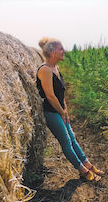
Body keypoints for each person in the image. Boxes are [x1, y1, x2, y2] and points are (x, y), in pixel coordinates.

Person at [36, 37, 104, 182]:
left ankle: (88, 164)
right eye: (61, 49)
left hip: (60, 110)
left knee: (73, 139)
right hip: (51, 112)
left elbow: (61, 94)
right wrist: (61, 112)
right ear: (53, 52)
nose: (64, 51)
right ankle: (83, 171)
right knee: (66, 141)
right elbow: (50, 96)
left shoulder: (56, 68)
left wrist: (65, 110)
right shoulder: (45, 70)